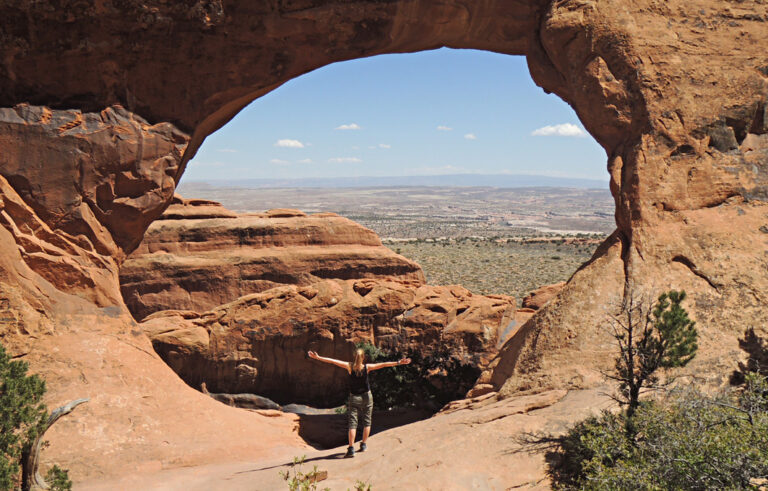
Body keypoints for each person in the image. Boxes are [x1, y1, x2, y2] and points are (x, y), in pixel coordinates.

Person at [307, 348, 411, 458]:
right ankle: (363, 445)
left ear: (354, 356)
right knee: (367, 421)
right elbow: (384, 364)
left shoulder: (349, 366)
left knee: (353, 423)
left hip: (354, 397)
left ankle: (351, 449)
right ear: (363, 357)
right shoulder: (367, 367)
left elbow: (333, 361)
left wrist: (318, 358)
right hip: (367, 396)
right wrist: (399, 362)